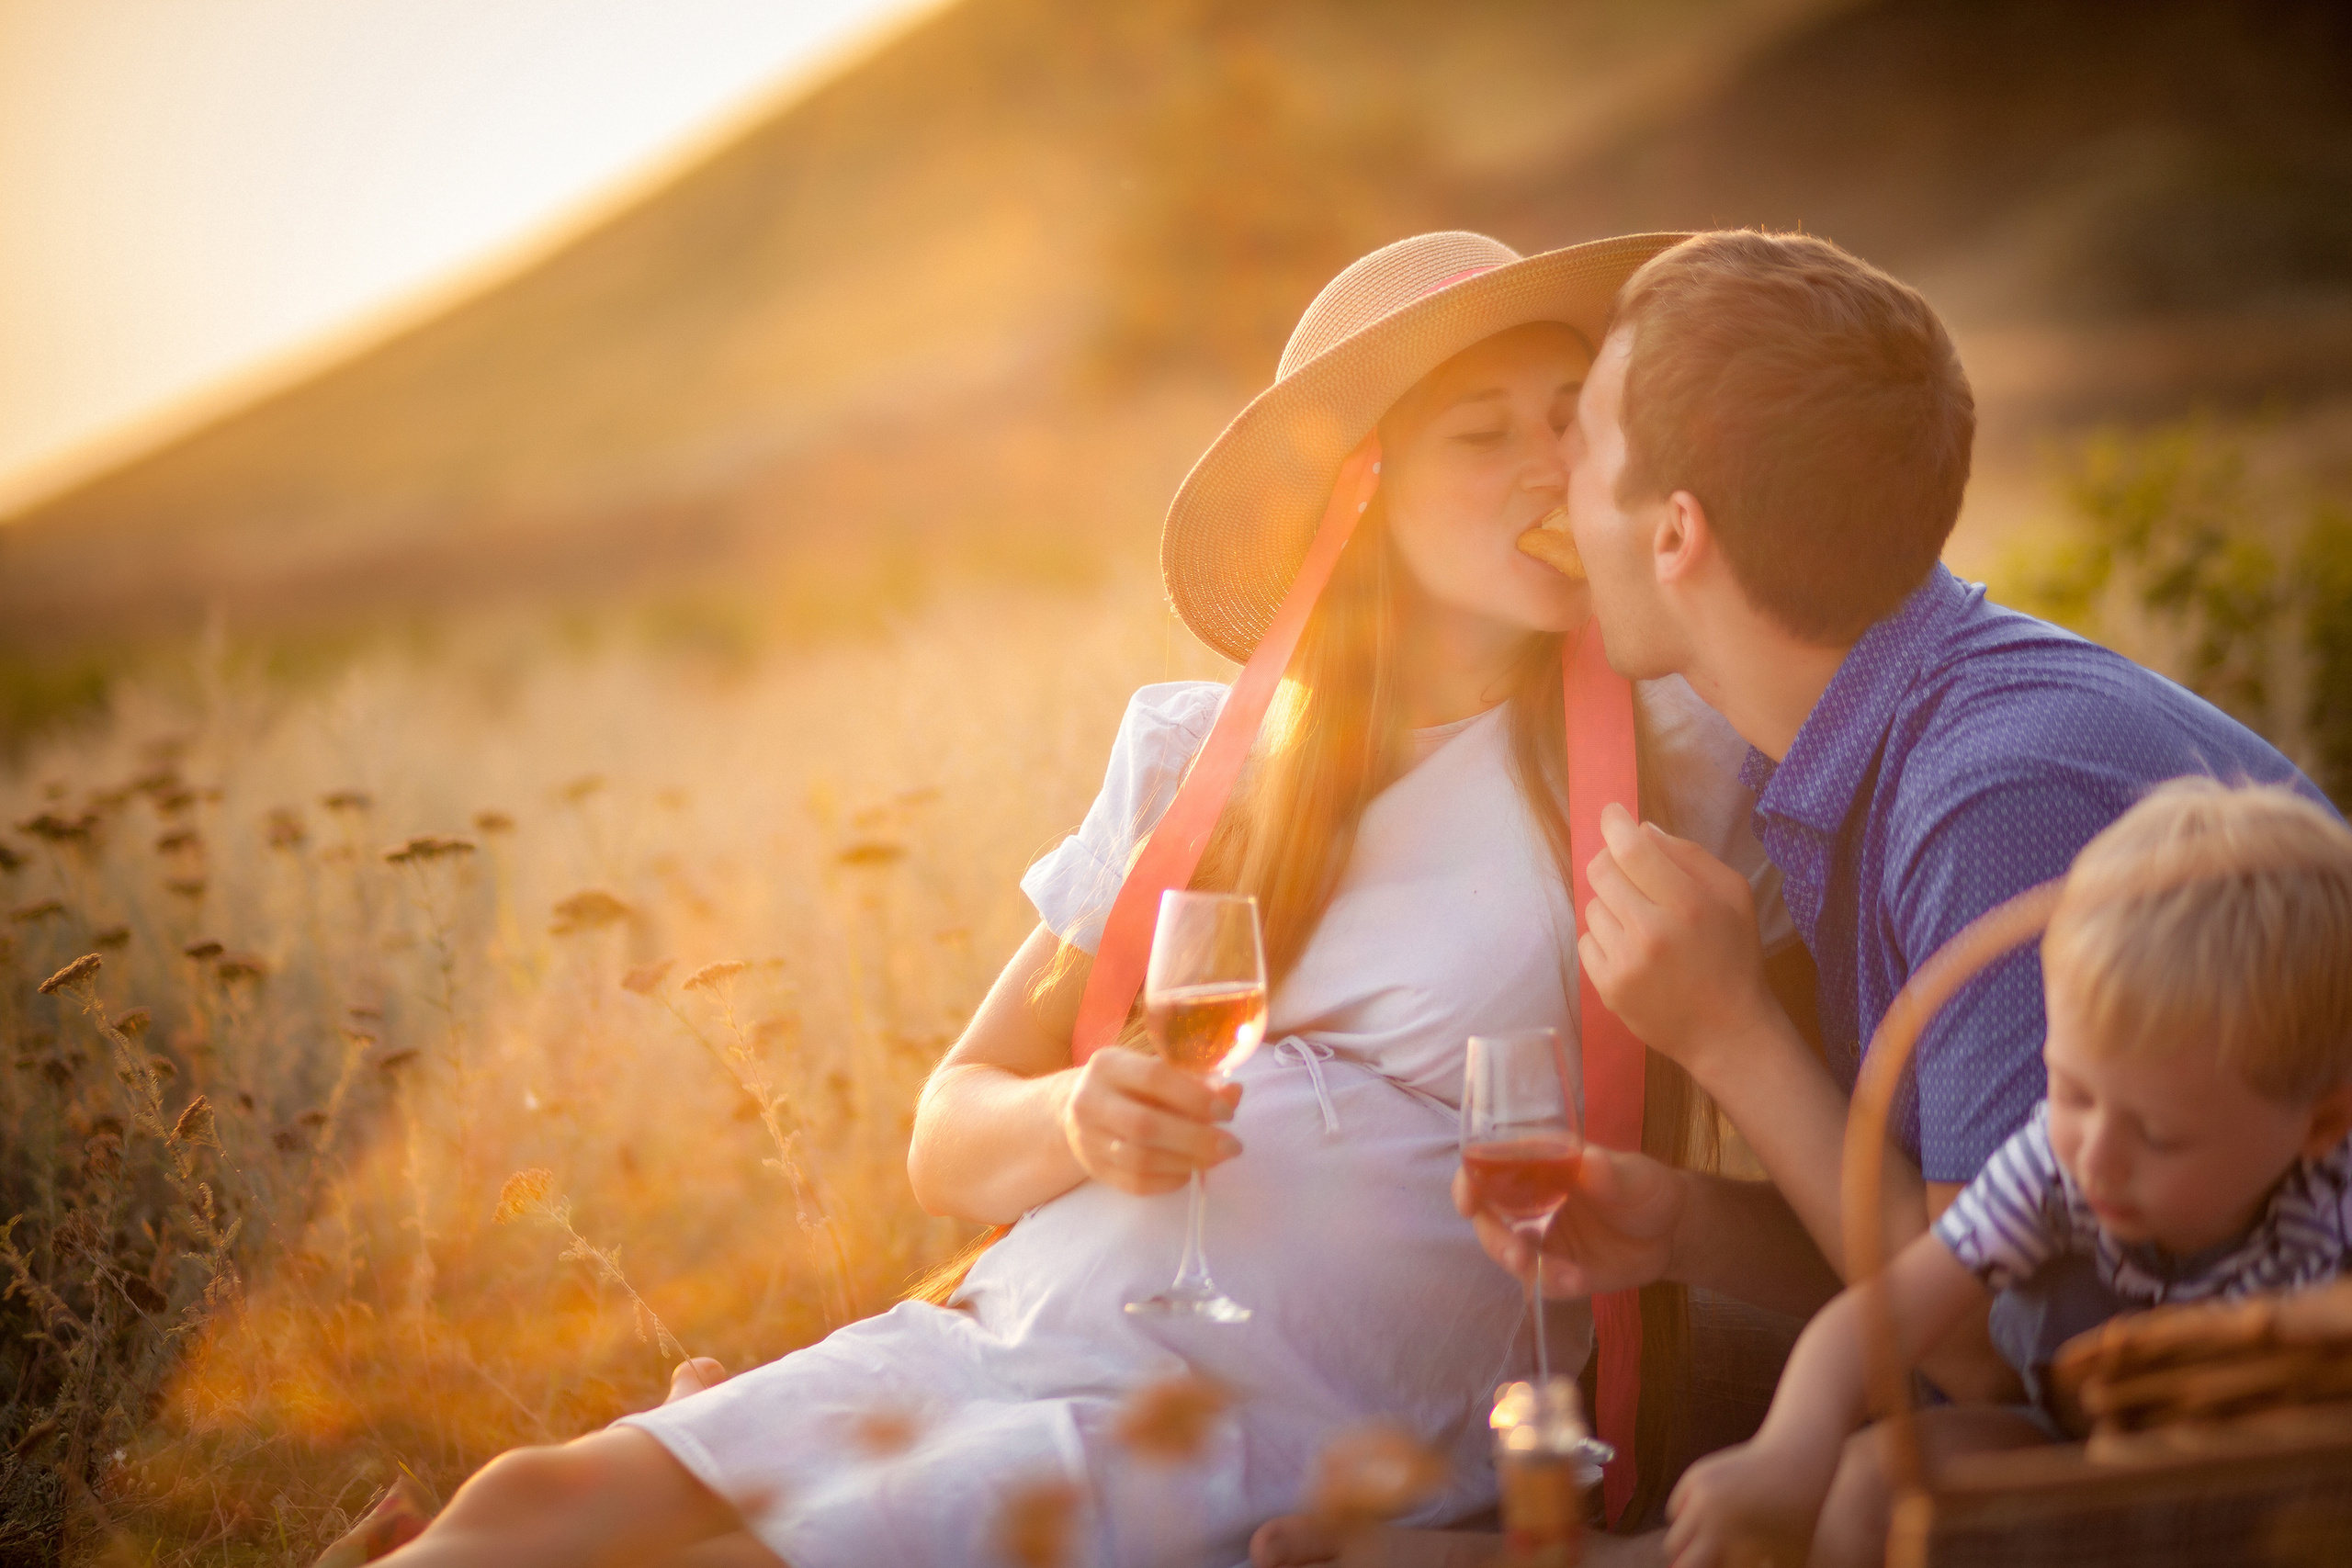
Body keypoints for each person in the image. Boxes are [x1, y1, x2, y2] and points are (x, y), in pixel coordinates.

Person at [343, 231, 1806, 1568]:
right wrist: (1077, 1115)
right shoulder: (1205, 759)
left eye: (1572, 415)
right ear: (1360, 499)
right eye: (1485, 434)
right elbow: (950, 1134)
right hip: (1028, 1325)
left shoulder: (1681, 755)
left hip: (1288, 1398)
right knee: (524, 1505)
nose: (1553, 464)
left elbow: (1847, 1187)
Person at [1465, 230, 2333, 1402]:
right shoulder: (1876, 727)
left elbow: (2017, 1361)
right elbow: (1954, 1242)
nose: (1553, 466)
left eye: (1585, 434)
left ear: (1675, 533)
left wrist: (1729, 1034)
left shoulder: (1995, 798)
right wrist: (1679, 1223)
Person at [1664, 781, 2352, 1568]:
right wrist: (1786, 1454)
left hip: (2295, 1471)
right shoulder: (2056, 1164)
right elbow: (1873, 1323)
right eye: (2071, 1089)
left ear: (2322, 1123)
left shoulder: (2334, 1192)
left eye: (2158, 1135)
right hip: (2089, 1455)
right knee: (1871, 1484)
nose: (2096, 1151)